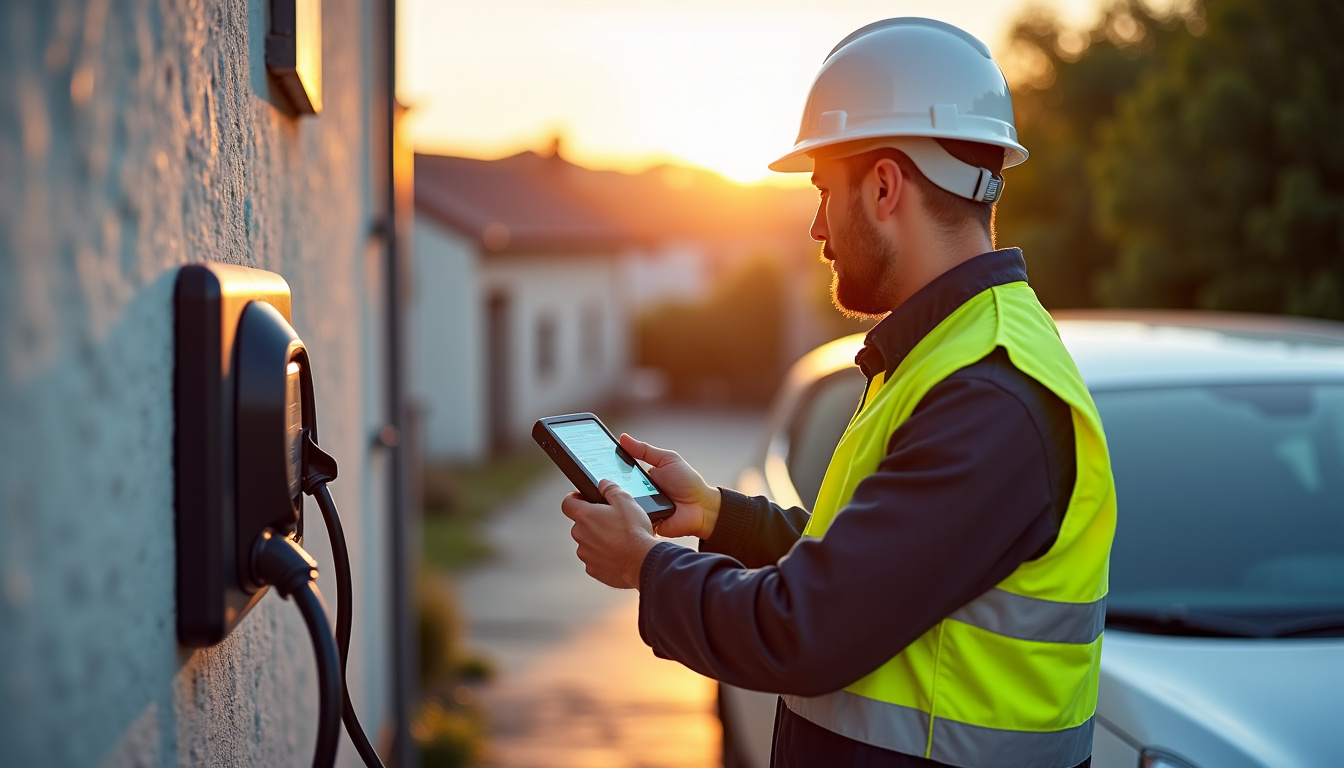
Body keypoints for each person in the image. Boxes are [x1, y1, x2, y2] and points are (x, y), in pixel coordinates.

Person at [560, 17, 1115, 768]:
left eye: (824, 190)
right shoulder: (953, 354)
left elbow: (807, 627)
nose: (817, 227)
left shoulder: (989, 396)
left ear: (885, 186)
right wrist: (716, 515)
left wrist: (645, 568)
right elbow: (867, 571)